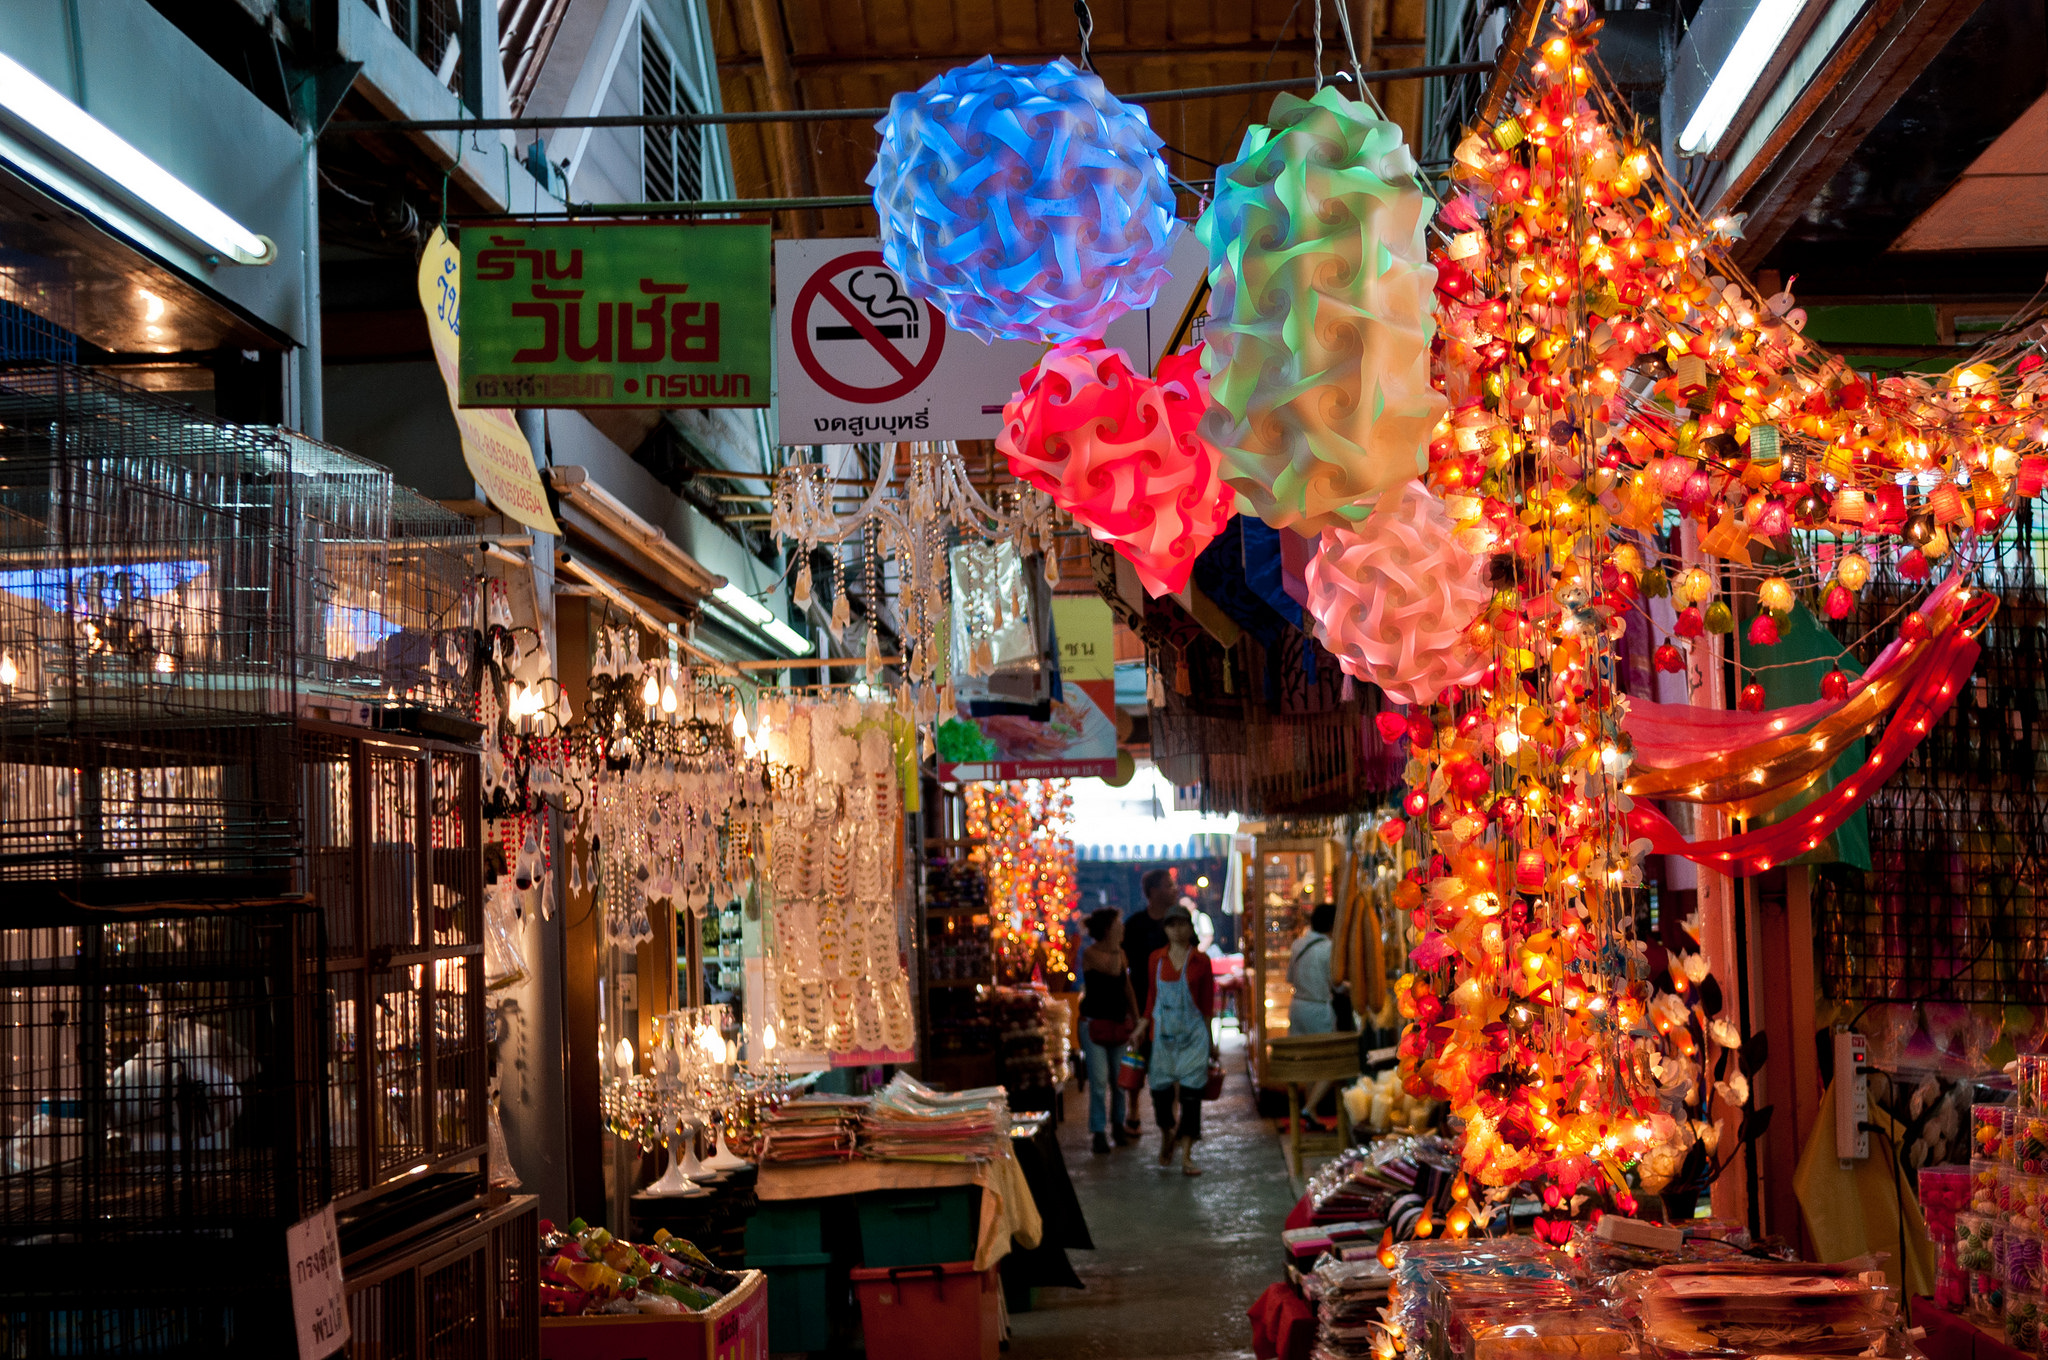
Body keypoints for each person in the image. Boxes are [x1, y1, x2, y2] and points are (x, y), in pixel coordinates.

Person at [1139, 904, 1216, 1176]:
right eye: (1171, 924)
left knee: (1192, 1097)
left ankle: (1186, 1155)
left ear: (1190, 927)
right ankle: (1166, 1133)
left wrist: (1212, 1041)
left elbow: (1207, 1005)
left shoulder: (1201, 962)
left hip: (1194, 1037)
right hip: (1162, 1037)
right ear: (1166, 929)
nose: (1177, 929)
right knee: (1160, 1093)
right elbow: (1151, 997)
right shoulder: (1155, 960)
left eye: (1182, 923)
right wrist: (1141, 1026)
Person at [1077, 908, 1141, 1155]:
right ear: (1108, 929)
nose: (1122, 928)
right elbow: (1114, 971)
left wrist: (1136, 1019)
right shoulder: (1091, 954)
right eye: (1118, 925)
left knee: (1119, 1081)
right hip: (1094, 1025)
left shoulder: (1120, 953)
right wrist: (1115, 948)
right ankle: (1099, 1132)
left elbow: (1126, 987)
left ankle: (1117, 1125)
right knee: (1099, 1080)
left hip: (1117, 1023)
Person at [1120, 868, 1175, 1139]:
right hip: (1142, 1002)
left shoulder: (1178, 922)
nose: (1175, 889)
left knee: (1171, 1061)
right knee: (1137, 1059)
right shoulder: (1135, 925)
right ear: (1154, 892)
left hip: (1173, 1005)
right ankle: (1133, 1111)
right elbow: (1124, 969)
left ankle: (1170, 1118)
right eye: (1169, 885)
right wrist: (1131, 1010)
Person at [1286, 900, 1346, 1130]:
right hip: (1319, 1008)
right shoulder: (1329, 948)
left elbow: (1290, 977)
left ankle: (1312, 1114)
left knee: (1309, 1062)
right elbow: (1336, 984)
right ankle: (1309, 1108)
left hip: (1297, 1006)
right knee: (1332, 1062)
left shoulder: (1298, 944)